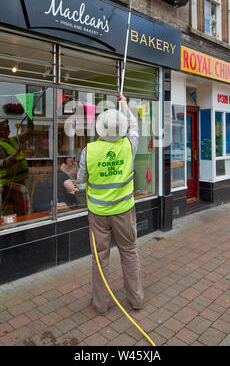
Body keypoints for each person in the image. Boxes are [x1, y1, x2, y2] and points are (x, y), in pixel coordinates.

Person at [77, 93, 144, 315]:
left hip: (97, 214)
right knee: (129, 252)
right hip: (124, 211)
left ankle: (101, 304)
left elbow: (80, 179)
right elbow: (134, 126)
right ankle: (135, 300)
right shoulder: (129, 146)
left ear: (101, 129)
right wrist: (124, 105)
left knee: (100, 257)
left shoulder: (89, 150)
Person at [0, 119, 32, 217]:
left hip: (19, 181)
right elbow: (1, 163)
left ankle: (21, 224)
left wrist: (30, 119)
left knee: (21, 207)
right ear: (1, 131)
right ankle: (9, 227)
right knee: (10, 209)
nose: (9, 129)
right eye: (6, 127)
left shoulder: (13, 140)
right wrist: (15, 154)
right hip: (8, 185)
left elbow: (28, 134)